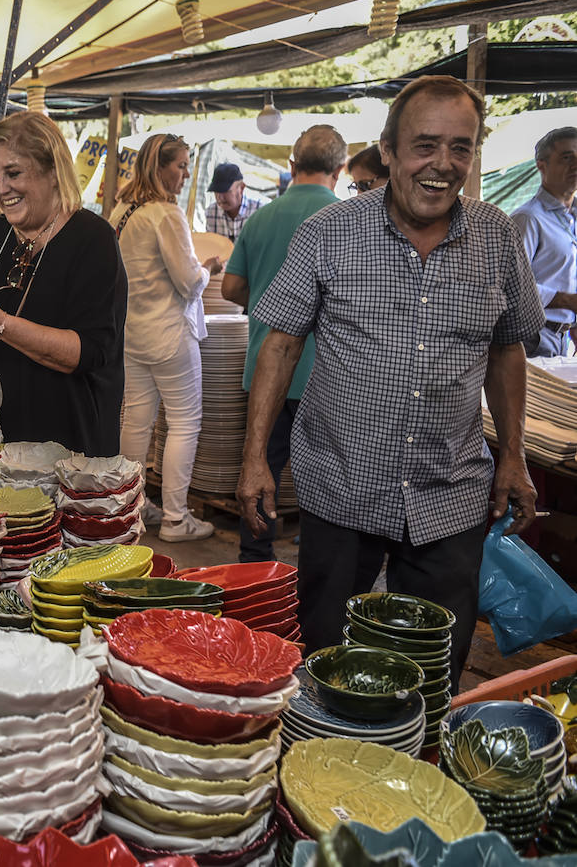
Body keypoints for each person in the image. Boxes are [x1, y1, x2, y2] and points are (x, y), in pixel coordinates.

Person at [237, 75, 544, 691]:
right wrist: (254, 461)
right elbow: (281, 344)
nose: (442, 165)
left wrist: (513, 455)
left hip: (450, 489)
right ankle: (321, 762)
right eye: (425, 145)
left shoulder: (499, 237)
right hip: (341, 482)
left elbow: (507, 348)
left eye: (460, 147)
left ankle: (415, 763)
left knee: (432, 671)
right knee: (327, 654)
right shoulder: (332, 231)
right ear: (389, 150)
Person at [0, 111, 125, 456]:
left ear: (52, 171)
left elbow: (86, 352)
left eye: (13, 173)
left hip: (62, 442)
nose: (2, 188)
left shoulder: (93, 239)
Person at [221, 125, 348, 562]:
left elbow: (232, 287)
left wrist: (265, 299)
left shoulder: (261, 217)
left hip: (264, 367)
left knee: (258, 467)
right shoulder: (347, 219)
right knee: (324, 479)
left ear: (292, 166)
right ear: (341, 168)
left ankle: (253, 559)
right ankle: (317, 564)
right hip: (324, 374)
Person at [113, 134, 222, 542]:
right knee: (184, 423)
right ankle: (177, 518)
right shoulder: (164, 213)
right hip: (170, 333)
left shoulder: (121, 211)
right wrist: (209, 268)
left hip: (132, 332)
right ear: (159, 167)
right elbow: (189, 280)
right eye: (181, 165)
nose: (186, 174)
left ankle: (131, 506)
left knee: (137, 421)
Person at [510, 127, 577, 357]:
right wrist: (566, 301)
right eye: (567, 158)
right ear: (542, 165)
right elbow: (511, 286)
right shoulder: (528, 218)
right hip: (533, 339)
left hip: (563, 339)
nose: (575, 164)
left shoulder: (573, 217)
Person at [205, 163, 265, 242]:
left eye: (225, 191)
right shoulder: (211, 213)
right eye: (216, 192)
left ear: (241, 188)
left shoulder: (260, 212)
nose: (220, 197)